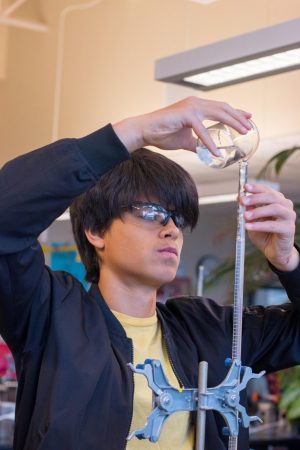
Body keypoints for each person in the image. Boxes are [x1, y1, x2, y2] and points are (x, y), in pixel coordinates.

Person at [0, 96, 299, 450]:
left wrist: (288, 260)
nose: (172, 230)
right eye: (151, 211)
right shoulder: (52, 315)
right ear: (96, 230)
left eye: (179, 218)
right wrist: (136, 131)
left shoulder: (208, 328)